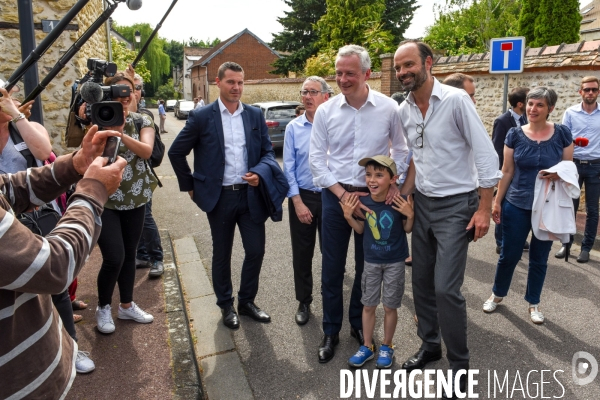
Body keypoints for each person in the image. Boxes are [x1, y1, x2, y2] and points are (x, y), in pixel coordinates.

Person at [394, 40, 501, 398]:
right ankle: (430, 346)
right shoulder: (404, 109)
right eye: (397, 68)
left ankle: (459, 366)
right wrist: (402, 194)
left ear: (428, 63)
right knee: (421, 283)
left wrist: (484, 208)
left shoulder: (456, 101)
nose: (402, 72)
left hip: (458, 206)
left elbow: (487, 157)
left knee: (444, 288)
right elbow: (415, 162)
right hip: (422, 203)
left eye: (408, 65)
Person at [0, 121, 126, 399]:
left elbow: (12, 187)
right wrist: (93, 191)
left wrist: (77, 163)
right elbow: (54, 266)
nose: (9, 133)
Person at [309, 44, 408, 363]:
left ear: (367, 74)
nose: (342, 79)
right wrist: (342, 196)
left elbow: (402, 151)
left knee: (368, 269)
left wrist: (395, 187)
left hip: (375, 200)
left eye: (349, 73)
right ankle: (330, 330)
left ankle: (358, 327)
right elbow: (316, 161)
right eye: (338, 73)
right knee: (332, 268)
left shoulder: (388, 107)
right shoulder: (325, 110)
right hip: (336, 197)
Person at [169, 61, 279, 330]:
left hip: (250, 195)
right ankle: (226, 305)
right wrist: (191, 186)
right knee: (222, 253)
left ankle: (247, 301)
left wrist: (260, 172)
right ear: (218, 83)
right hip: (219, 198)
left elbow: (267, 152)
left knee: (256, 250)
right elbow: (175, 152)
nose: (237, 87)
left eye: (240, 82)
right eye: (231, 82)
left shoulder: (253, 115)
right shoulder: (202, 116)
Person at [482, 87, 574, 325]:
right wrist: (497, 201)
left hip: (547, 205)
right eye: (530, 103)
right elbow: (507, 170)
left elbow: (569, 168)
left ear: (550, 108)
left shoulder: (562, 133)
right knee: (508, 255)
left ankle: (534, 302)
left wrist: (559, 175)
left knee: (539, 257)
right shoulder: (514, 134)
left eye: (540, 105)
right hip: (517, 202)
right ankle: (497, 294)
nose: (533, 109)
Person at [94, 72, 157, 334]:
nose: (124, 95)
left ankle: (127, 305)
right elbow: (91, 155)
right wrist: (103, 128)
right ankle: (103, 307)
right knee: (114, 257)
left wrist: (120, 134)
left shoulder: (143, 118)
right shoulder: (99, 120)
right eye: (117, 90)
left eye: (128, 90)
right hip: (105, 199)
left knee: (129, 254)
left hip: (136, 197)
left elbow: (146, 151)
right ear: (107, 94)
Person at [341, 156, 414, 369]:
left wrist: (410, 215)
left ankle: (387, 345)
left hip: (394, 262)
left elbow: (407, 229)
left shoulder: (398, 200)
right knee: (368, 305)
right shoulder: (363, 202)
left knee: (390, 306)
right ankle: (367, 346)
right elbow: (362, 230)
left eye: (379, 175)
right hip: (371, 262)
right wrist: (349, 217)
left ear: (393, 179)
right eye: (369, 175)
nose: (372, 180)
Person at [283, 76, 330, 325]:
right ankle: (304, 300)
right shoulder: (293, 128)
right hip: (303, 197)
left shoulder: (334, 125)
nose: (308, 97)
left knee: (331, 252)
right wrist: (297, 202)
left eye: (313, 92)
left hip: (332, 198)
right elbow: (287, 169)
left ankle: (330, 299)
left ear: (326, 96)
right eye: (304, 92)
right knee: (302, 253)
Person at [556, 76, 600, 263]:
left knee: (592, 209)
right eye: (587, 89)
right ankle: (566, 244)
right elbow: (563, 139)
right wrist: (575, 143)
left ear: (598, 92)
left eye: (594, 90)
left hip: (596, 165)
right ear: (580, 92)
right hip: (574, 164)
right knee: (569, 206)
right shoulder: (570, 112)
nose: (590, 93)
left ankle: (586, 248)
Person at [130, 71, 164, 278]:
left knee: (145, 217)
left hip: (141, 176)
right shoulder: (110, 112)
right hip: (119, 177)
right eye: (127, 88)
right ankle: (142, 255)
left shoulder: (144, 115)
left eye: (136, 88)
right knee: (135, 220)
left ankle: (157, 257)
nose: (132, 92)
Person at [492, 87, 531, 255]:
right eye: (528, 101)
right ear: (520, 103)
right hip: (506, 172)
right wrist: (501, 173)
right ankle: (501, 241)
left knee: (517, 208)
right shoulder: (502, 121)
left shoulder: (527, 120)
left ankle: (518, 239)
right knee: (502, 206)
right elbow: (497, 148)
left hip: (521, 174)